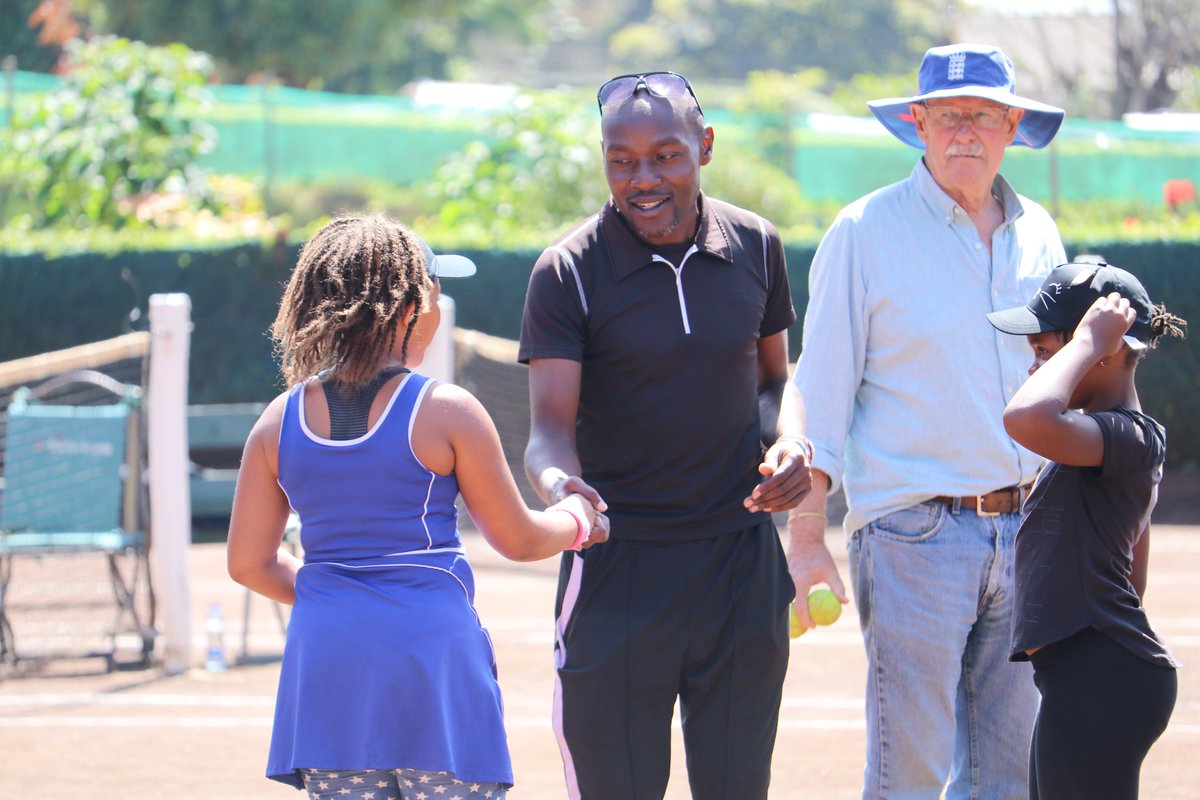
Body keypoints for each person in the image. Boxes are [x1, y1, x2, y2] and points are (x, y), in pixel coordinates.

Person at [226, 214, 604, 799]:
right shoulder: (447, 410)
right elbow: (520, 539)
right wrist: (577, 520)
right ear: (408, 307)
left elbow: (249, 564)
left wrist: (340, 592)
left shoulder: (276, 422)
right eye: (436, 290)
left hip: (327, 672)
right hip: (432, 665)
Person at [518, 71, 813, 799]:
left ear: (704, 147)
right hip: (618, 569)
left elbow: (779, 380)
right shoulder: (568, 272)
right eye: (621, 160)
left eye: (666, 155)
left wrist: (793, 443)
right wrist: (560, 488)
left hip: (741, 568)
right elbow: (548, 433)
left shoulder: (756, 244)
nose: (642, 177)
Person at [786, 43, 1068, 799]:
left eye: (982, 115)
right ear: (919, 125)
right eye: (948, 117)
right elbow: (822, 386)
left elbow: (1065, 383)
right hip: (914, 534)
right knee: (907, 772)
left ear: (1012, 126)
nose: (965, 133)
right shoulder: (864, 231)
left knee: (1009, 776)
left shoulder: (1040, 232)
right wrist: (808, 541)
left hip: (1028, 533)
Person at [987, 262, 1184, 800]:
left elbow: (1023, 419)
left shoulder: (1129, 435)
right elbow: (1131, 572)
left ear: (1110, 352)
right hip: (1086, 676)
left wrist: (1088, 341)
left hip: (1101, 678)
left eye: (1046, 354)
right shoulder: (1097, 440)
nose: (1037, 370)